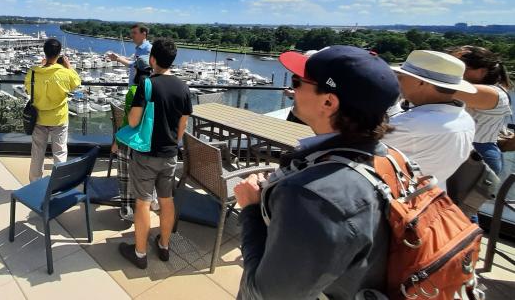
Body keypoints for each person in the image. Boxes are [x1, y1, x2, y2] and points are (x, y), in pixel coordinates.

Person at [233, 45, 400, 299]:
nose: (291, 90)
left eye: (298, 82)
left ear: (328, 101)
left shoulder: (312, 195)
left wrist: (251, 210)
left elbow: (264, 295)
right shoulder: (392, 160)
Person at [119, 38, 192, 269]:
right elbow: (183, 124)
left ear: (152, 59)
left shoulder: (147, 85)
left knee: (142, 203)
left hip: (146, 154)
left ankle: (140, 254)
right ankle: (164, 245)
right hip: (170, 154)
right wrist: (172, 142)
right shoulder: (183, 87)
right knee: (166, 200)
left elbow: (133, 121)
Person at [383, 50, 476, 187]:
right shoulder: (465, 119)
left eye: (402, 77)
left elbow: (353, 144)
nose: (397, 81)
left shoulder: (411, 124)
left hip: (401, 200)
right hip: (433, 196)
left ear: (421, 82)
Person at [449, 45, 513, 175]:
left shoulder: (493, 93)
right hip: (467, 152)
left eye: (462, 68)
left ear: (482, 71)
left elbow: (436, 87)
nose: (456, 71)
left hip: (477, 155)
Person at [25, 38, 81, 182]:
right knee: (60, 153)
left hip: (38, 118)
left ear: (45, 52)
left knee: (37, 153)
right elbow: (76, 83)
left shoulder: (33, 72)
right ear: (59, 53)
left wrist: (42, 66)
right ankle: (59, 183)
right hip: (59, 118)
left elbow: (27, 90)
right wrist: (68, 66)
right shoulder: (64, 73)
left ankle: (34, 183)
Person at [112, 57, 151, 222]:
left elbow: (129, 122)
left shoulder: (134, 91)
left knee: (124, 175)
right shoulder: (155, 89)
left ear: (136, 70)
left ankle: (126, 206)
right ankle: (147, 203)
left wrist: (117, 141)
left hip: (131, 142)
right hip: (148, 142)